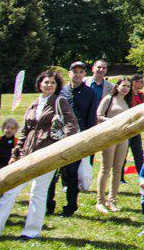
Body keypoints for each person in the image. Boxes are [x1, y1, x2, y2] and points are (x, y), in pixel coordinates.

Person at [0, 69, 79, 240]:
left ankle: (31, 232)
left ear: (57, 85)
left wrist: (64, 146)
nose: (49, 85)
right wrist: (16, 152)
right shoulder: (34, 103)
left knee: (38, 192)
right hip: (26, 154)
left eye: (53, 82)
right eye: (46, 82)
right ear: (40, 84)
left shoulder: (60, 102)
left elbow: (71, 124)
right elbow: (24, 131)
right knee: (10, 191)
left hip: (47, 154)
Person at [47, 61, 97, 217]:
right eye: (75, 71)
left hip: (78, 137)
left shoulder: (90, 93)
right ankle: (49, 205)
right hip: (58, 136)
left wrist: (87, 139)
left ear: (84, 75)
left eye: (81, 72)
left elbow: (91, 118)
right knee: (52, 173)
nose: (77, 74)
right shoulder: (61, 91)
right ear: (69, 73)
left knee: (71, 173)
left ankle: (70, 206)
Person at [96, 76, 132, 213]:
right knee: (106, 169)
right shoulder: (109, 99)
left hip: (123, 138)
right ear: (117, 86)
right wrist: (114, 122)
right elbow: (98, 116)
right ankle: (100, 200)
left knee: (118, 170)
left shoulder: (127, 103)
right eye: (123, 85)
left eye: (128, 86)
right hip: (109, 137)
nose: (126, 88)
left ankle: (112, 199)